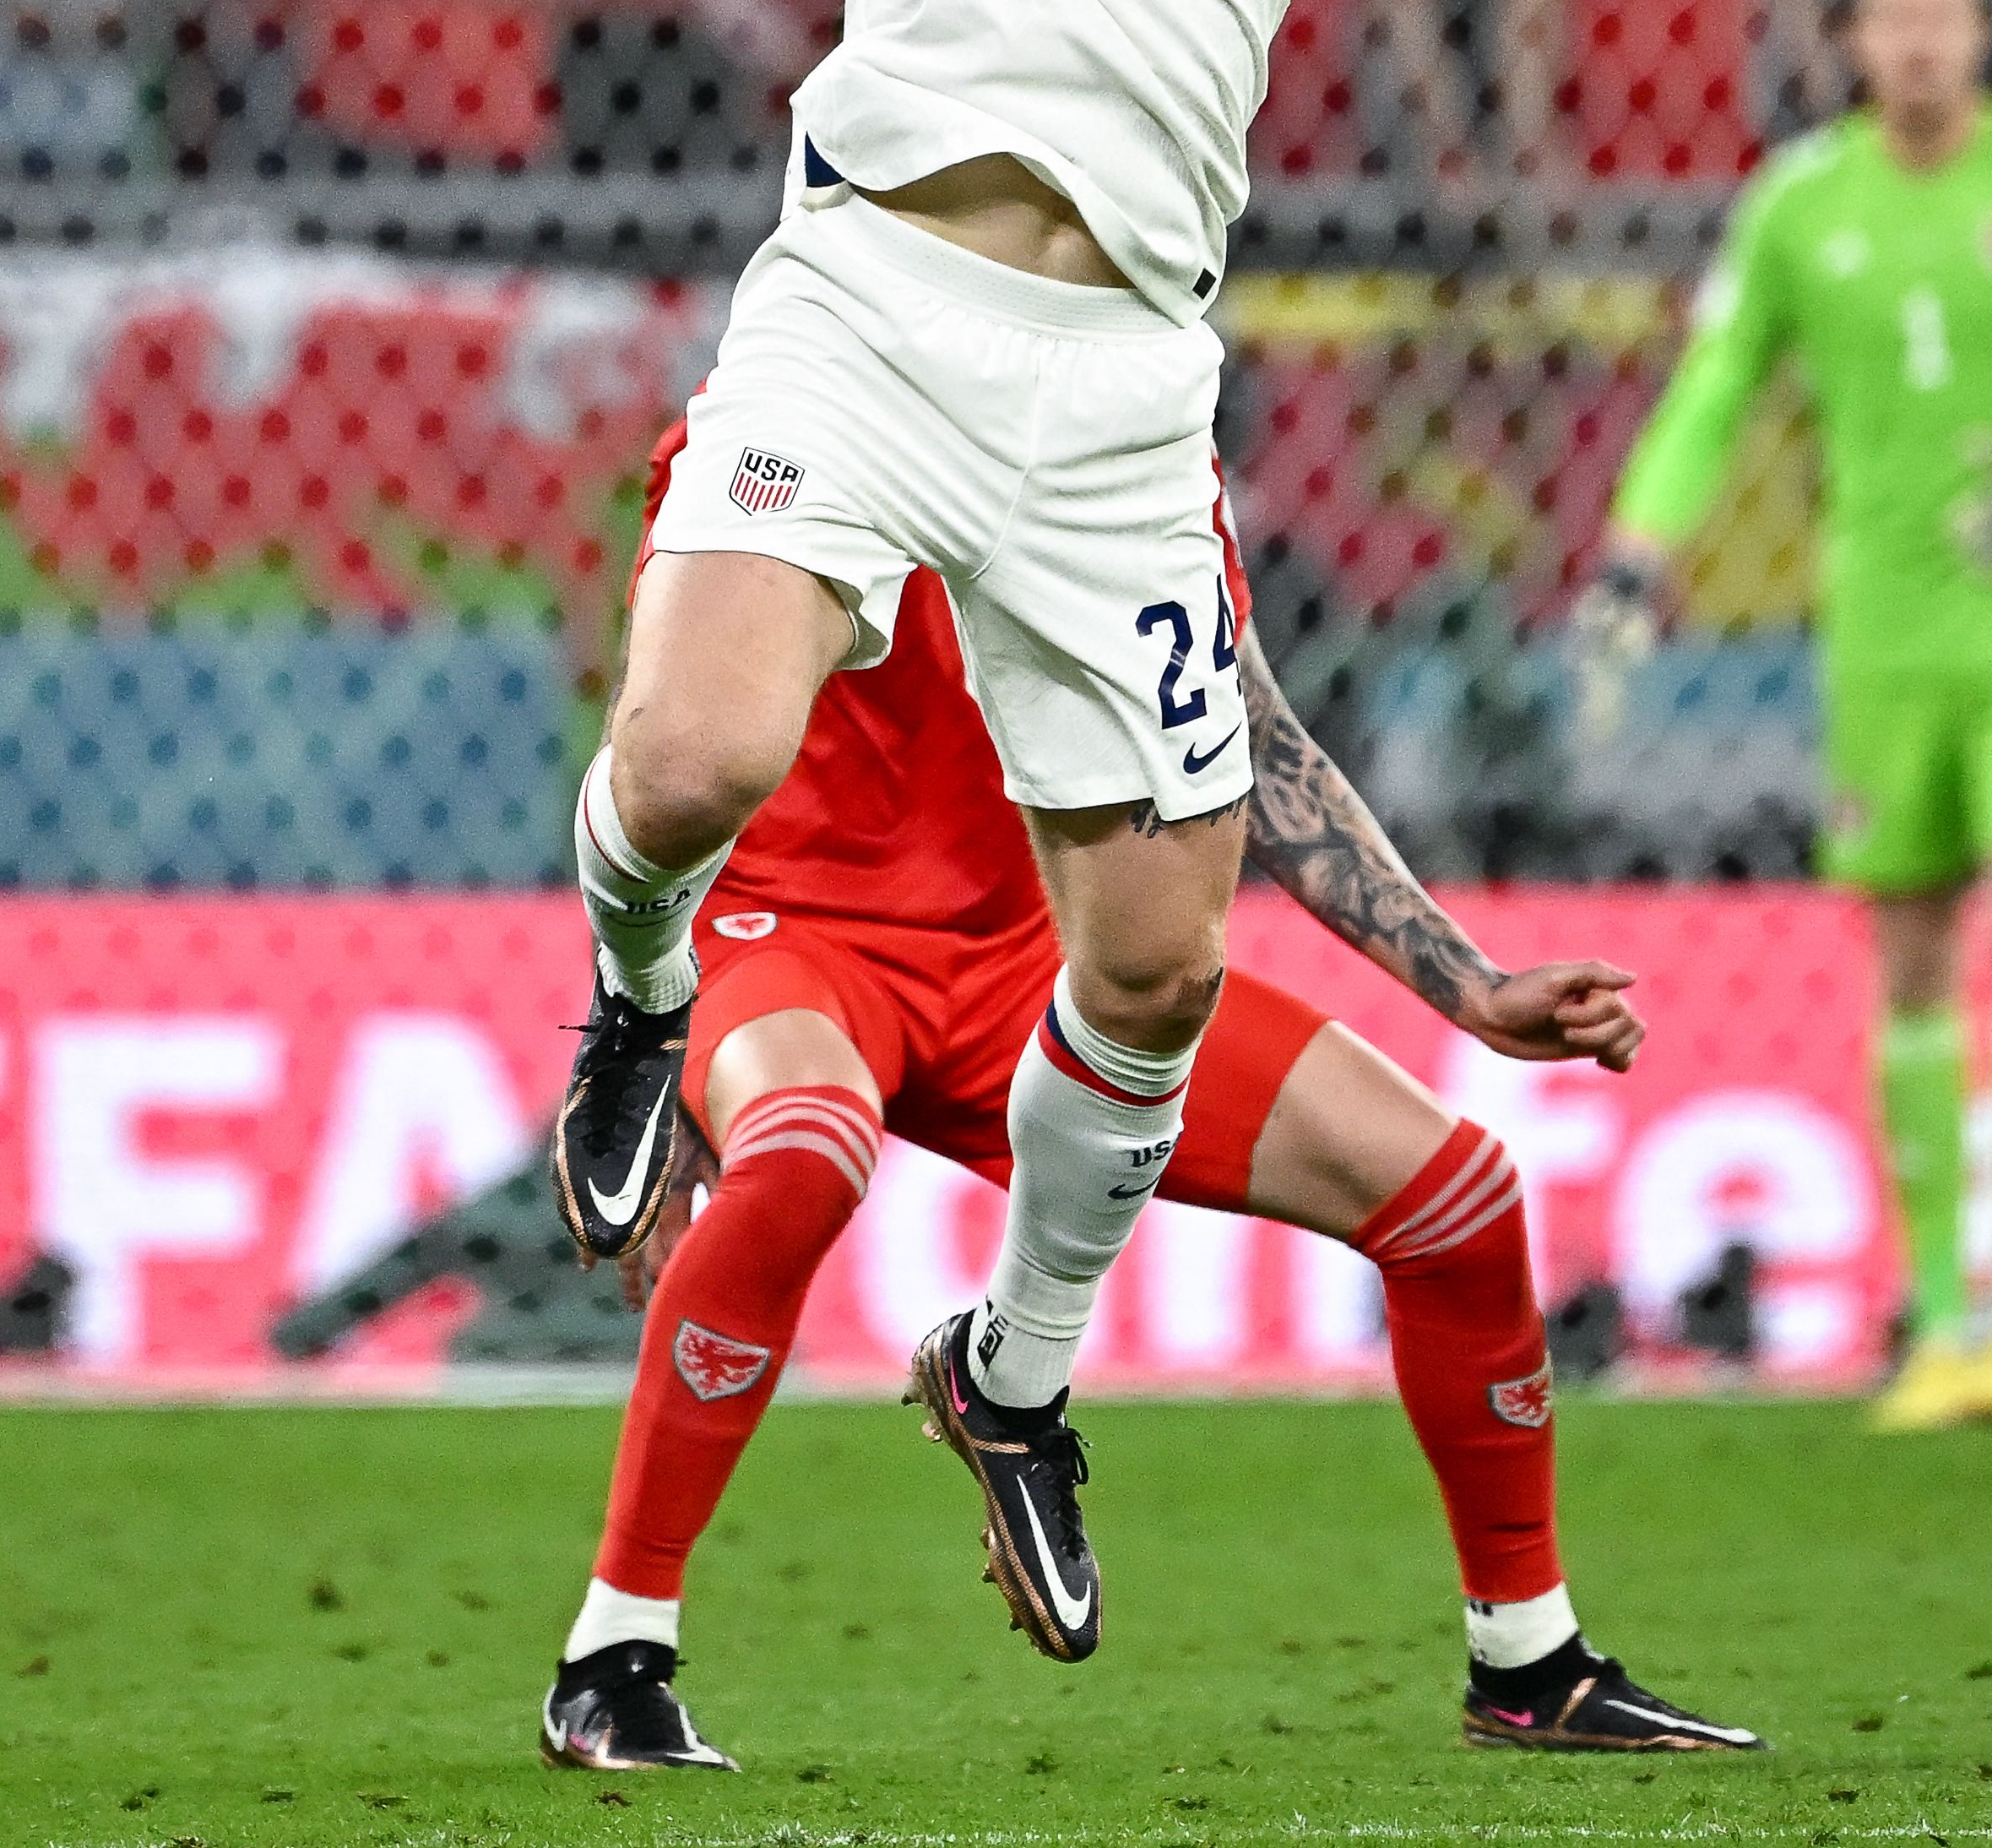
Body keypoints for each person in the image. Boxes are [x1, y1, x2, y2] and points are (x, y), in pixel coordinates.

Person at [6, 0, 1785, 1662]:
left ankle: (1013, 1377)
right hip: (866, 303)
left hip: (1120, 383)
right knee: (690, 752)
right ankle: (631, 999)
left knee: (1148, 972)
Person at [539, 431, 1759, 1771]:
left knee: (1455, 1196)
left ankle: (1529, 1663)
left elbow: (1249, 734)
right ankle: (614, 1658)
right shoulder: (796, 394)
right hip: (793, 940)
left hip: (1034, 957)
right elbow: (660, 753)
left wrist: (1466, 983)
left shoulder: (1135, 423)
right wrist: (664, 1059)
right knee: (806, 1155)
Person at [1575, 0, 1992, 1432]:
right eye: (1896, 20)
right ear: (1854, 44)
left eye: (1946, 16)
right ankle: (1939, 1318)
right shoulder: (1802, 206)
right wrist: (1633, 554)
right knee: (1916, 959)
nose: (1923, 44)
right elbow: (1713, 389)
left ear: (1982, 36)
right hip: (1880, 626)